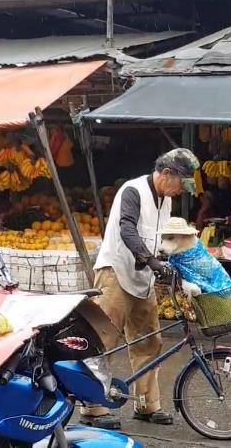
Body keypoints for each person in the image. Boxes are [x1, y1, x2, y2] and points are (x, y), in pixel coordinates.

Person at [80, 148, 200, 429]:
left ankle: (146, 405)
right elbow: (127, 229)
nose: (180, 191)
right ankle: (92, 408)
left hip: (143, 278)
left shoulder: (165, 201)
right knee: (103, 339)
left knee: (149, 341)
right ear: (168, 173)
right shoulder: (132, 191)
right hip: (115, 273)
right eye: (180, 184)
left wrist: (176, 261)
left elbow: (163, 239)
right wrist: (150, 260)